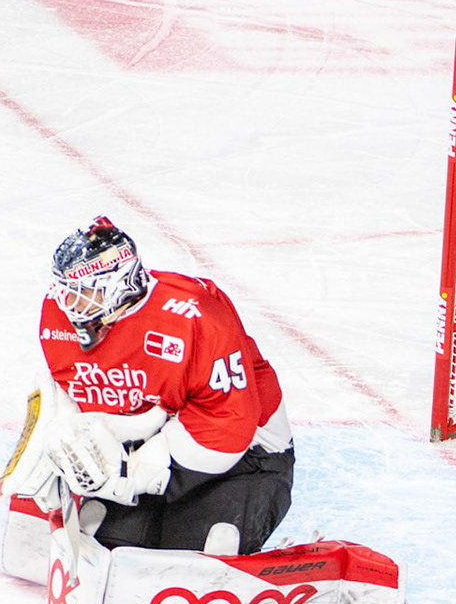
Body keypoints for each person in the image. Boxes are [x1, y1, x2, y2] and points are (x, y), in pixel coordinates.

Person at [38, 215, 293, 556]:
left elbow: (229, 426)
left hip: (245, 459)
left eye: (83, 291)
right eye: (67, 290)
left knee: (201, 551)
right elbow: (71, 393)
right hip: (152, 448)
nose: (69, 302)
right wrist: (59, 444)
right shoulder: (60, 316)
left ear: (119, 284)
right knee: (103, 541)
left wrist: (135, 473)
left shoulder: (196, 318)